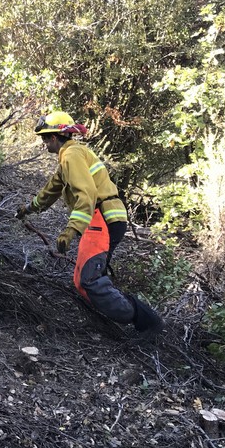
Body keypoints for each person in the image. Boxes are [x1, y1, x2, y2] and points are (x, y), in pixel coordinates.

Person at [16, 110, 163, 338]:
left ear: (54, 137)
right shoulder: (69, 157)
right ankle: (113, 324)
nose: (44, 144)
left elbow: (86, 194)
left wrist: (71, 230)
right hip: (103, 219)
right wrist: (28, 209)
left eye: (45, 138)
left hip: (101, 219)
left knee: (89, 281)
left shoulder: (72, 154)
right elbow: (51, 190)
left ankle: (146, 322)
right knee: (84, 279)